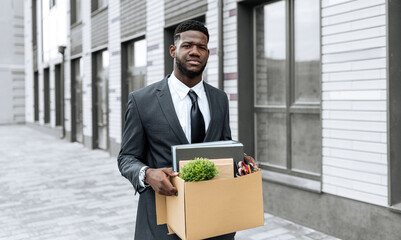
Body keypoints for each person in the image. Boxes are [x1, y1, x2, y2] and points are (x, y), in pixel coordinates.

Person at [118, 20, 255, 240]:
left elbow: (223, 143)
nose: (195, 52)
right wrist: (147, 174)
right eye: (187, 45)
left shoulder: (220, 99)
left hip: (215, 221)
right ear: (173, 50)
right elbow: (127, 157)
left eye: (201, 47)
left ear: (208, 53)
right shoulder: (141, 100)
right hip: (163, 222)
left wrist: (240, 160)